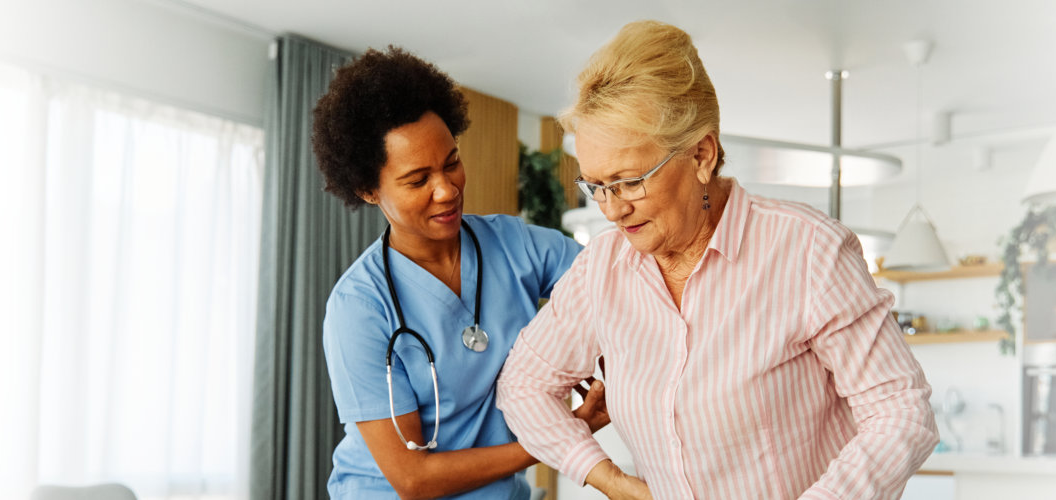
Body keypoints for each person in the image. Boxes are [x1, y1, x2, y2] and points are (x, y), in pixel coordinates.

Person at [496, 21, 939, 500]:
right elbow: (523, 384)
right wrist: (609, 479)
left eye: (629, 181)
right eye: (595, 186)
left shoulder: (808, 249)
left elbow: (900, 409)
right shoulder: (601, 268)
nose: (612, 208)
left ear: (702, 154)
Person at [314, 46, 607, 500]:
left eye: (451, 162)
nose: (446, 190)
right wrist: (561, 434)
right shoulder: (358, 307)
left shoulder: (512, 246)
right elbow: (413, 477)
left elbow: (614, 276)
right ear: (368, 190)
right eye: (417, 180)